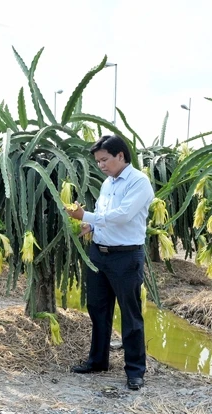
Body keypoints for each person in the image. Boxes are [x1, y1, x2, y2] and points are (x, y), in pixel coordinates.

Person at [66, 135, 154, 391]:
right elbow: (104, 215)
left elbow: (124, 215)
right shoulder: (107, 183)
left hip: (125, 257)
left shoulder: (139, 182)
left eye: (104, 160)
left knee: (130, 314)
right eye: (98, 161)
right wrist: (89, 225)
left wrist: (87, 215)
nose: (101, 165)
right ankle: (98, 361)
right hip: (99, 254)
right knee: (98, 309)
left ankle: (135, 371)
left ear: (121, 156)